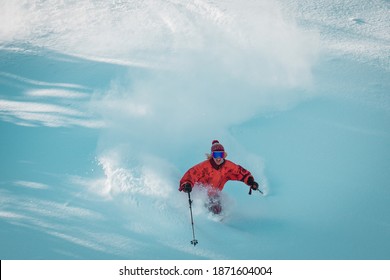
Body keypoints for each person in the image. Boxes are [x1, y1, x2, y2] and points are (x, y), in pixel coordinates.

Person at [179, 140, 259, 214]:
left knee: (218, 213)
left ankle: (219, 227)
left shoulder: (228, 166)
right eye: (215, 154)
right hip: (202, 195)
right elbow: (192, 174)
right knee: (204, 212)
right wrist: (187, 184)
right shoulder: (204, 166)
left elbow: (239, 172)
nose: (218, 158)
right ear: (212, 155)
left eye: (220, 154)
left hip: (214, 195)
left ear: (224, 155)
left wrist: (250, 181)